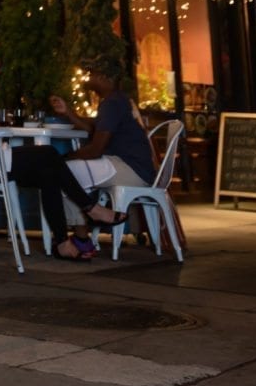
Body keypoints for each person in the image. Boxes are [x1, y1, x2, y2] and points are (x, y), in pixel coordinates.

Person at [9, 64, 158, 260]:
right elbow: (93, 129)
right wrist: (68, 112)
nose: (88, 77)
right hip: (134, 166)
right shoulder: (116, 100)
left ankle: (80, 238)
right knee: (63, 172)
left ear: (105, 76)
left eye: (92, 74)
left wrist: (62, 160)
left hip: (132, 168)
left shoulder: (112, 103)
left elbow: (95, 149)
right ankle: (85, 227)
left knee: (64, 172)